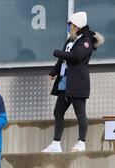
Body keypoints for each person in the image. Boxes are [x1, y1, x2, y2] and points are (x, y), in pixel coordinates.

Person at [42, 11, 104, 153]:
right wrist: (54, 71)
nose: (68, 27)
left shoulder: (86, 40)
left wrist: (57, 52)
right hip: (65, 81)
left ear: (76, 25)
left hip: (78, 82)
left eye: (70, 24)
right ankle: (56, 143)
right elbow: (63, 59)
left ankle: (81, 142)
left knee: (80, 113)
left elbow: (75, 56)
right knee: (58, 112)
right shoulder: (71, 40)